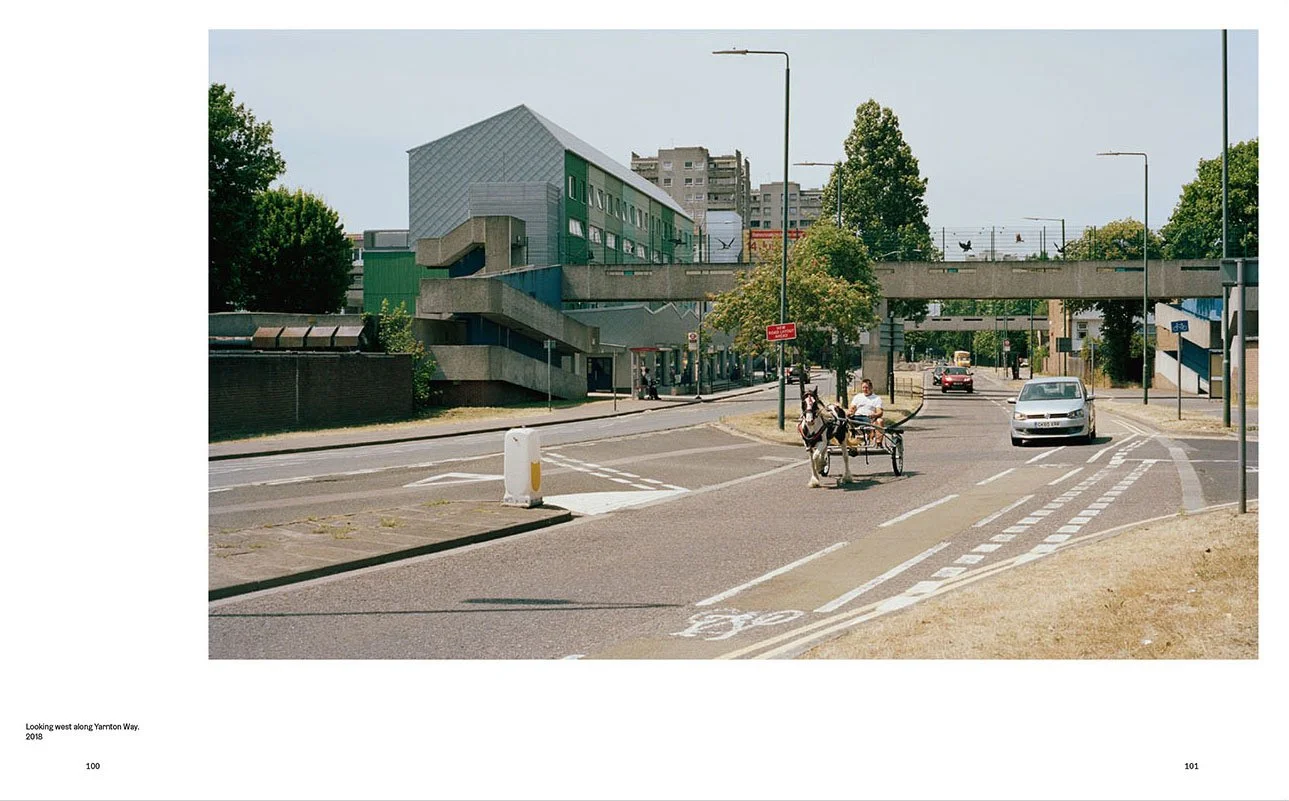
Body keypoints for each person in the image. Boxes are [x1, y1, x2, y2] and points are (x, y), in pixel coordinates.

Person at [847, 378, 885, 449]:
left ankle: (879, 442)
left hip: (868, 418)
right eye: (863, 387)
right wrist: (849, 412)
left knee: (880, 421)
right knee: (844, 421)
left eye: (866, 387)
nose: (865, 389)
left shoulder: (876, 398)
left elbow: (880, 412)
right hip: (856, 417)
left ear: (871, 387)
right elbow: (852, 408)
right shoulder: (858, 397)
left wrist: (874, 415)